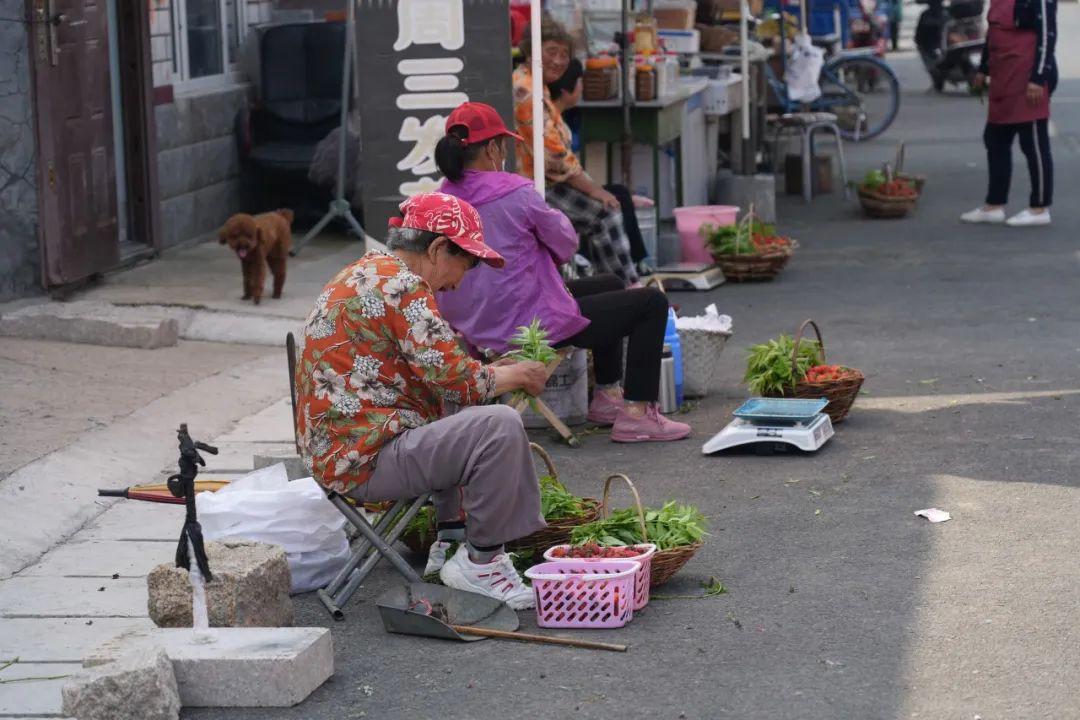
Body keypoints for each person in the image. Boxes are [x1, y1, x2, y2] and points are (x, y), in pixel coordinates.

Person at [293, 192, 550, 609]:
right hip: (363, 460)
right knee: (499, 425)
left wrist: (490, 375)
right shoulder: (403, 284)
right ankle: (481, 562)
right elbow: (457, 379)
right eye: (463, 265)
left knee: (459, 407)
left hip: (341, 452)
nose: (459, 282)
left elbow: (446, 375)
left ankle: (451, 541)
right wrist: (517, 374)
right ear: (435, 248)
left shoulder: (368, 270)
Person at [434, 101, 692, 443]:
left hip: (475, 325)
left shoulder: (439, 201)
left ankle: (607, 396)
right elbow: (567, 243)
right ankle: (636, 414)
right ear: (494, 148)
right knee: (651, 303)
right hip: (525, 328)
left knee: (610, 284)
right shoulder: (515, 193)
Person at [512, 15, 641, 286]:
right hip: (532, 189)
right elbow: (555, 157)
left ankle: (614, 286)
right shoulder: (526, 91)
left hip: (543, 182)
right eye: (551, 52)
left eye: (564, 54)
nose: (559, 61)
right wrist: (594, 189)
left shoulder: (536, 86)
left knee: (612, 200)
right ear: (531, 50)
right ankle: (628, 288)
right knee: (605, 212)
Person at [961, 0, 1056, 227]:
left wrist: (1038, 78)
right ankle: (994, 205)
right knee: (995, 140)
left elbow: (1047, 34)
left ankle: (1039, 208)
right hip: (1003, 75)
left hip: (1027, 75)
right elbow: (993, 33)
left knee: (1033, 143)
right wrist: (983, 69)